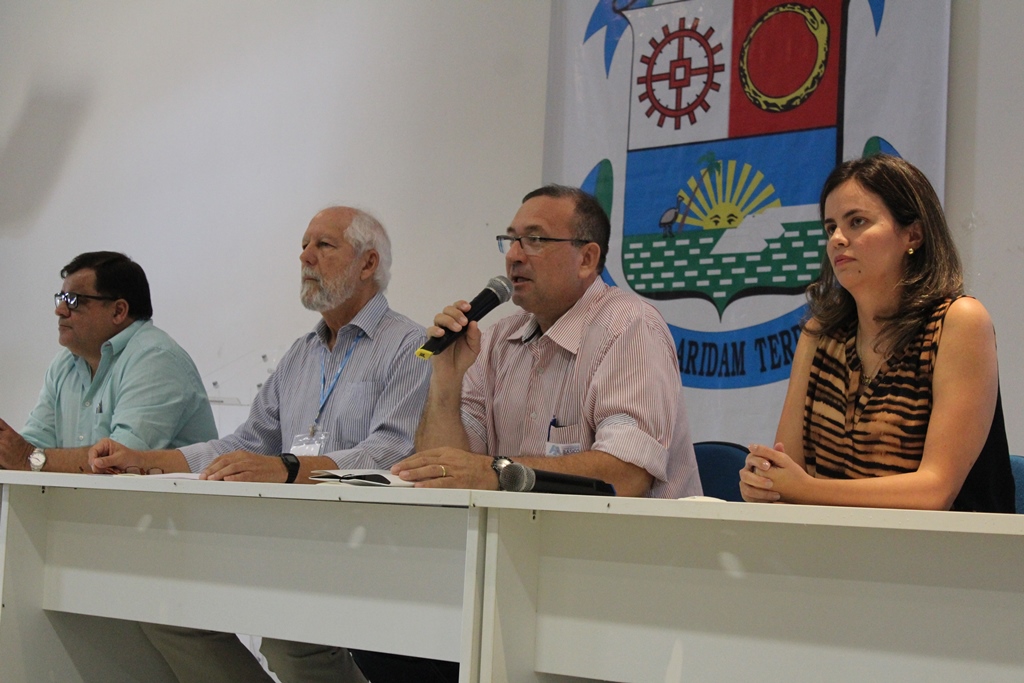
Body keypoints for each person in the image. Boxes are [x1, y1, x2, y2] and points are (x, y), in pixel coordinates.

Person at [353, 186, 702, 683]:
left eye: (535, 240)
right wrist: (446, 381)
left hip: (622, 584)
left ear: (587, 258)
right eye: (511, 239)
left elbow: (624, 476)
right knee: (383, 642)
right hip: (520, 576)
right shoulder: (497, 339)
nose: (515, 255)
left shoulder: (628, 327)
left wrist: (498, 473)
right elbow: (445, 473)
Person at [89, 206, 431, 683]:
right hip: (284, 534)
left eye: (323, 245)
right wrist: (146, 460)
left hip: (366, 541)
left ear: (368, 263)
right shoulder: (301, 354)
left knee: (290, 641)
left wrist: (289, 468)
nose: (305, 256)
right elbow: (247, 442)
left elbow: (392, 450)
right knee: (166, 605)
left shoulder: (411, 345)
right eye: (304, 245)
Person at [739, 154, 1015, 512]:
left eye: (857, 222)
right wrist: (765, 482)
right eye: (831, 228)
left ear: (913, 234)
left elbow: (934, 492)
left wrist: (805, 489)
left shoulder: (959, 322)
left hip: (946, 545)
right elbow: (788, 472)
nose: (837, 239)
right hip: (837, 543)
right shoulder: (819, 334)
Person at [0, 251, 217, 473]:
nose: (60, 310)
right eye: (61, 298)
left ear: (118, 311)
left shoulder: (156, 359)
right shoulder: (64, 364)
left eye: (73, 300)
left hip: (156, 497)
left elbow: (119, 461)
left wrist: (26, 457)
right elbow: (33, 444)